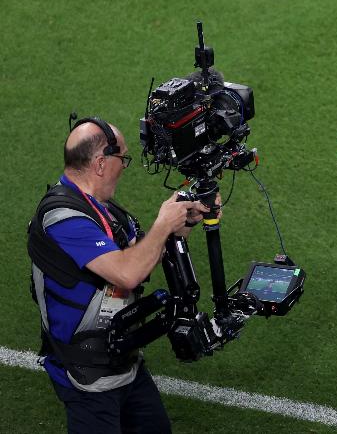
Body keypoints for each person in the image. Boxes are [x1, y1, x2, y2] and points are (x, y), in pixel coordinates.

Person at [27, 117, 209, 433]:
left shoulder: (106, 210)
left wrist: (185, 221)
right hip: (87, 377)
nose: (125, 166)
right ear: (100, 163)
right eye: (122, 158)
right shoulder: (63, 218)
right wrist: (163, 222)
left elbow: (144, 256)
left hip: (123, 361)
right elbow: (127, 273)